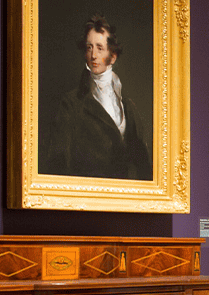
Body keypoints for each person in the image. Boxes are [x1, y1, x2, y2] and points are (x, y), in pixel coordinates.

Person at [42, 15, 152, 180]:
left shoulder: (126, 105)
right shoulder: (71, 103)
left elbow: (143, 163)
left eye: (100, 48)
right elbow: (58, 163)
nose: (93, 55)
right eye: (89, 47)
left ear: (112, 56)